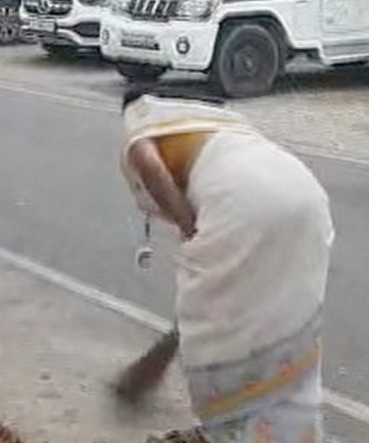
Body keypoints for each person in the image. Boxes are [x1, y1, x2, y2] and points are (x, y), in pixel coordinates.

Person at [119, 88, 334, 443]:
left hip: (242, 202)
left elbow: (148, 163)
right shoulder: (218, 126)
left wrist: (189, 226)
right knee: (282, 321)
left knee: (213, 332)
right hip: (307, 196)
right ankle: (292, 433)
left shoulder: (141, 117)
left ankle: (227, 434)